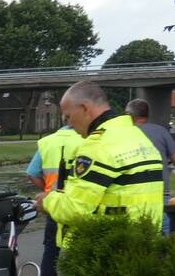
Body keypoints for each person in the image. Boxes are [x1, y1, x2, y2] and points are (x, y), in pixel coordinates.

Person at [36, 81, 163, 244]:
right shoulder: (136, 136)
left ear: (84, 108)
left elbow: (75, 210)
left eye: (68, 116)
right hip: (143, 241)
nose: (68, 124)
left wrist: (46, 201)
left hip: (102, 249)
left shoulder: (98, 145)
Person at [27, 125, 83, 276]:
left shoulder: (47, 142)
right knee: (78, 247)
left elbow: (31, 173)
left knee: (51, 248)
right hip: (76, 202)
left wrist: (46, 191)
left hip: (52, 204)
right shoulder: (85, 141)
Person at [125, 99, 175, 234]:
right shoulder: (160, 131)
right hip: (159, 192)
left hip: (131, 194)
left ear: (128, 115)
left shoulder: (122, 133)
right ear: (147, 114)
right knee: (163, 235)